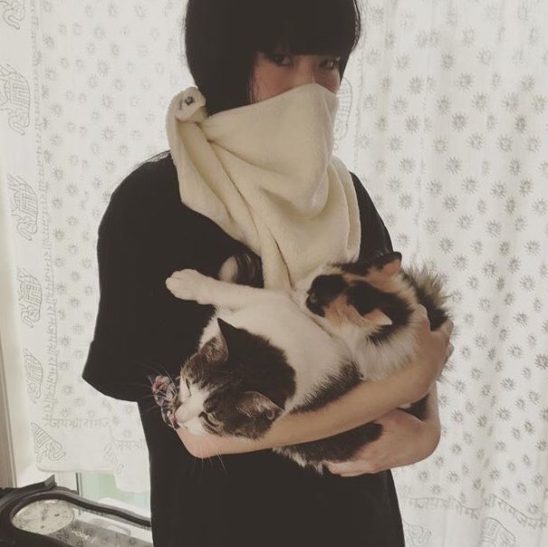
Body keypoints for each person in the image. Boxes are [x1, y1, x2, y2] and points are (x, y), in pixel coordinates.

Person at [83, 1, 453, 546]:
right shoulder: (154, 205)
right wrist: (404, 386)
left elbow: (406, 326)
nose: (309, 87)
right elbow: (199, 434)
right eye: (281, 58)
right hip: (223, 524)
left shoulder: (344, 194)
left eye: (328, 63)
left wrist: (428, 431)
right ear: (225, 57)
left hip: (357, 516)